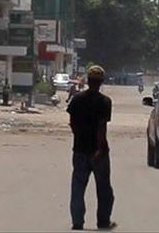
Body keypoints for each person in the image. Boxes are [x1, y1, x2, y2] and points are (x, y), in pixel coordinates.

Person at [66, 66, 115, 231]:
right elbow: (101, 127)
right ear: (101, 82)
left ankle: (77, 222)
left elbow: (72, 123)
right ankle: (103, 221)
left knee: (78, 187)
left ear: (87, 80)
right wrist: (100, 149)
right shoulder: (105, 101)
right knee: (104, 188)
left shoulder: (77, 100)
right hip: (99, 151)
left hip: (80, 149)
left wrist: (79, 138)